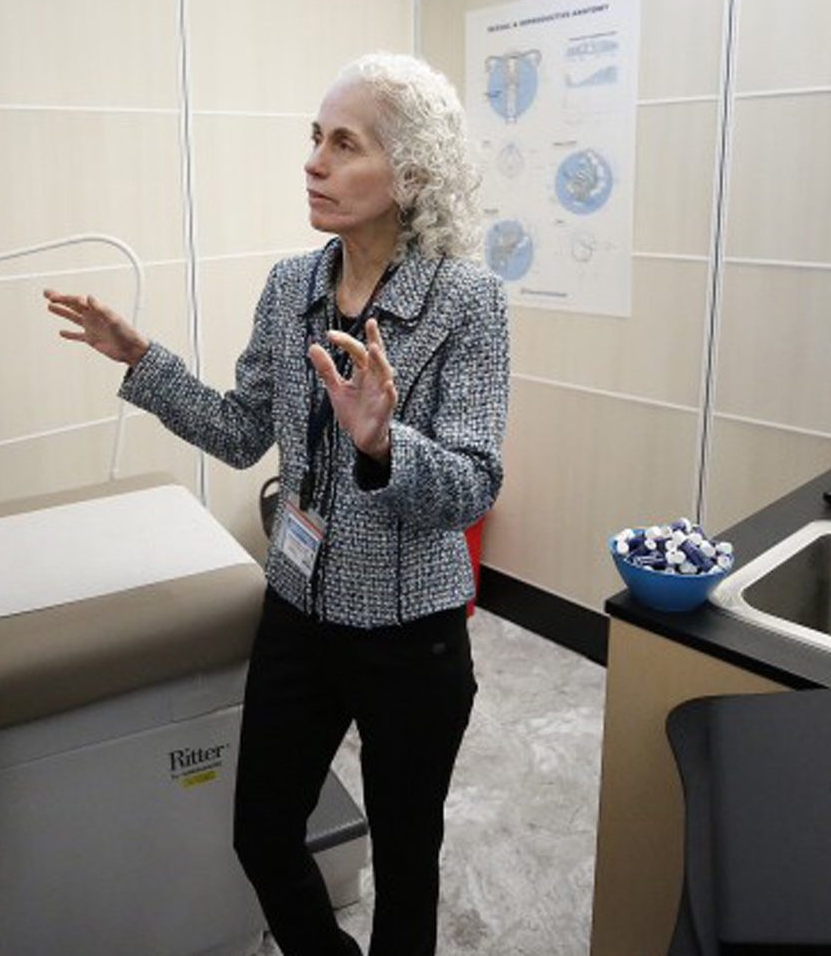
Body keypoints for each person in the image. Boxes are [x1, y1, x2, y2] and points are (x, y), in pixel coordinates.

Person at [47, 52, 508, 956]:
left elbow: (473, 484)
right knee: (261, 832)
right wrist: (142, 360)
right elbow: (236, 429)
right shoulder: (289, 288)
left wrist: (384, 443)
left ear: (409, 174)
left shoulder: (468, 305)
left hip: (412, 636)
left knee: (408, 868)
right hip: (297, 611)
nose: (314, 162)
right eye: (314, 139)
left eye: (344, 144)